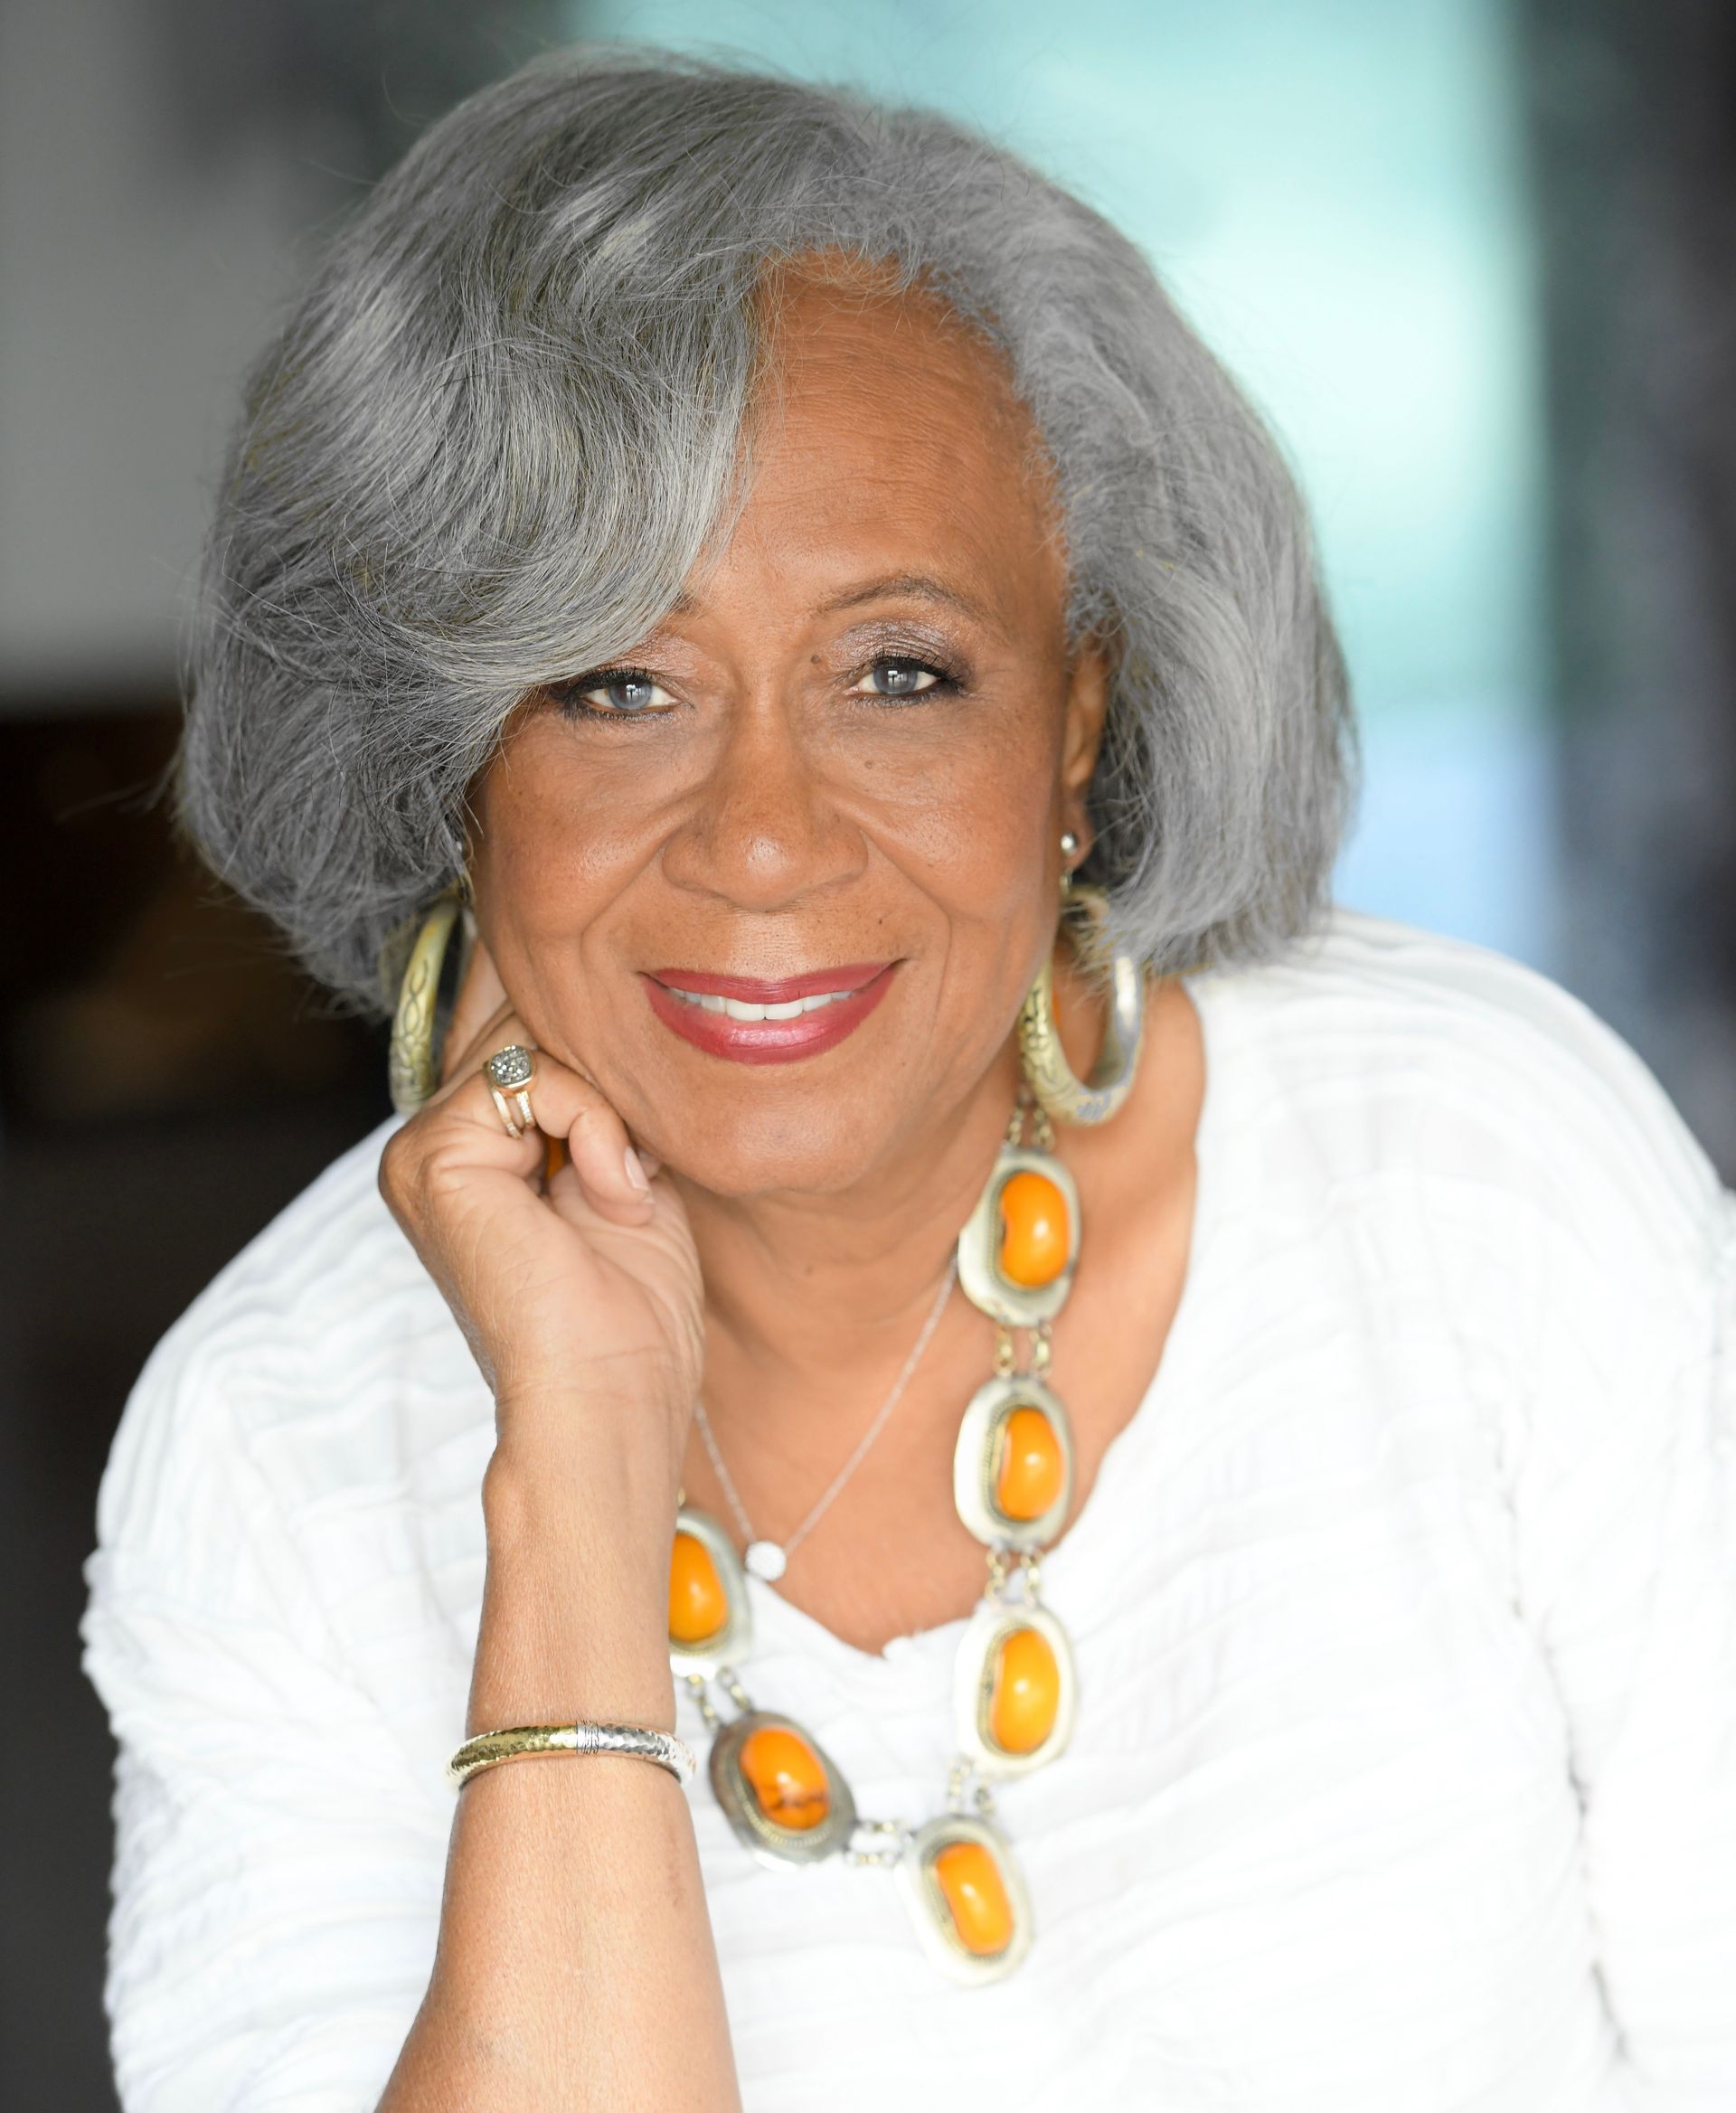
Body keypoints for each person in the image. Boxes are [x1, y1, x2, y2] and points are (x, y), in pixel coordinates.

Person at [81, 47, 1736, 2113]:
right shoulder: (273, 1441)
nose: (763, 836)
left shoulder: (1479, 1171)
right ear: (453, 763)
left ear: (1076, 722)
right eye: (617, 678)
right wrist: (581, 1475)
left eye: (900, 672)